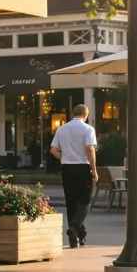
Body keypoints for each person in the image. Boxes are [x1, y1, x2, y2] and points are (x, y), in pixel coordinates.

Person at [50, 104, 97, 248]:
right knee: (84, 201)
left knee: (71, 202)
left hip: (67, 168)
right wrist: (94, 169)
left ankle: (78, 236)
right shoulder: (88, 129)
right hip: (82, 167)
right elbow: (90, 149)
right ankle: (75, 227)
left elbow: (53, 150)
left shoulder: (62, 129)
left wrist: (64, 157)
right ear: (85, 115)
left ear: (73, 113)